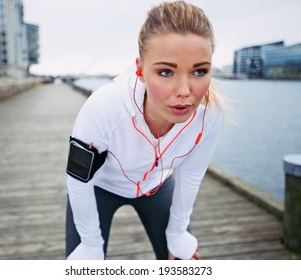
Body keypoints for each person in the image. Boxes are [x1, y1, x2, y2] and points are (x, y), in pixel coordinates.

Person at [66, 0, 225, 260]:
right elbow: (78, 180)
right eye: (165, 71)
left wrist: (176, 234)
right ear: (140, 69)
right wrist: (91, 245)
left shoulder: (210, 113)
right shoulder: (104, 107)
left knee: (184, 261)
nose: (185, 91)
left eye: (199, 71)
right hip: (98, 187)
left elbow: (191, 176)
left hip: (156, 185)